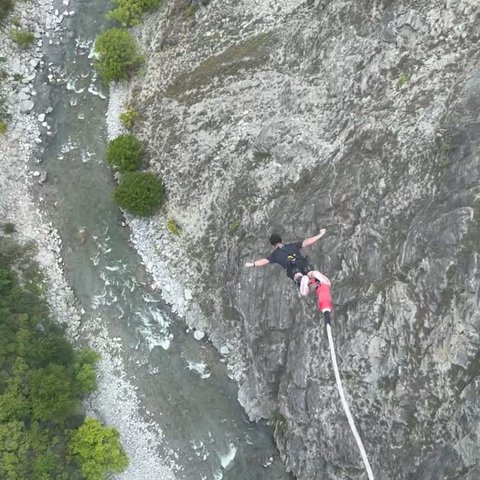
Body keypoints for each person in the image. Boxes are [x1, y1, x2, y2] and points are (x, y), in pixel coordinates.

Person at [245, 229, 331, 296]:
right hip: (303, 263)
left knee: (297, 275)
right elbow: (307, 242)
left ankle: (301, 279)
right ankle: (313, 274)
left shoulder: (275, 255)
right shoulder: (292, 245)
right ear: (281, 241)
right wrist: (320, 234)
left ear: (272, 246)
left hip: (292, 267)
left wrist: (252, 264)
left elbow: (264, 261)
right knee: (309, 271)